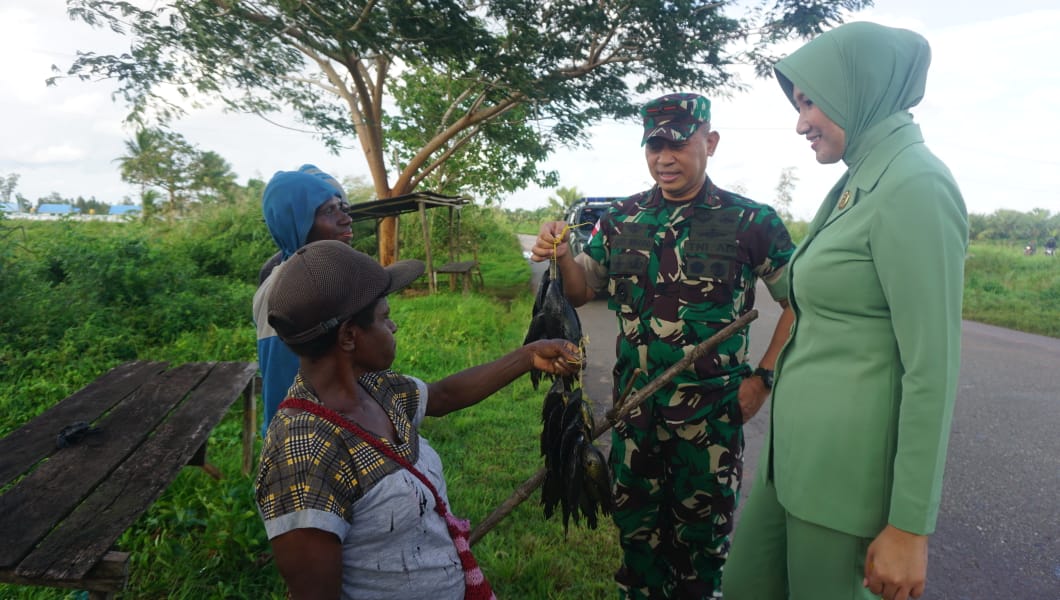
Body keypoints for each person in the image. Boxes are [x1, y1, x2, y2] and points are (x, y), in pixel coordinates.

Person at [722, 22, 968, 600]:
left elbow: (933, 368)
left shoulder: (916, 184)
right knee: (744, 587)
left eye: (811, 99)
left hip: (845, 488)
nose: (800, 120)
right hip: (795, 470)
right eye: (798, 102)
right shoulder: (858, 182)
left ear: (862, 87)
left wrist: (909, 525)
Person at [531, 93, 796, 598]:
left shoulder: (752, 222)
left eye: (678, 142)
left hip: (711, 423)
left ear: (710, 143)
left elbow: (800, 303)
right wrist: (563, 252)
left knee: (701, 558)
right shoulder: (622, 219)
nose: (664, 157)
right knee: (639, 553)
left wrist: (763, 379)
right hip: (634, 419)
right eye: (654, 145)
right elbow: (585, 289)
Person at [255, 240, 582, 599]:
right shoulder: (302, 452)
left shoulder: (377, 389)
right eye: (384, 317)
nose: (393, 326)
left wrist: (529, 356)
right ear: (349, 335)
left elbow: (443, 396)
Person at [253, 165, 353, 436]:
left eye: (343, 208)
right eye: (329, 211)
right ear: (296, 222)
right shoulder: (289, 288)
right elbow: (282, 375)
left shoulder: (315, 275)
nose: (346, 218)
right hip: (304, 437)